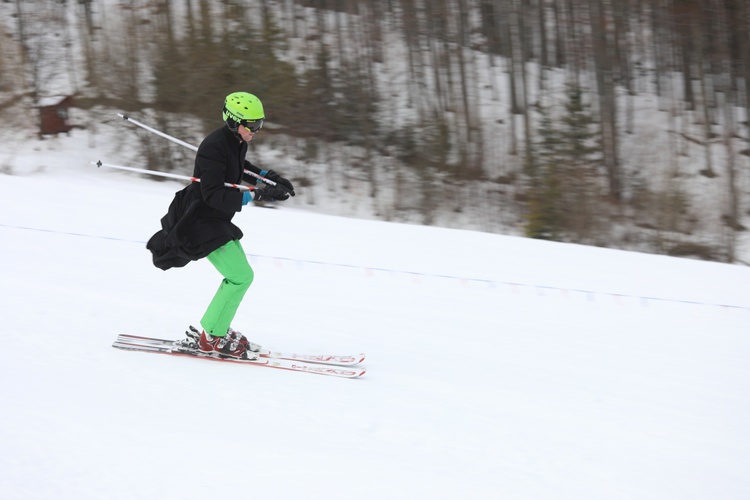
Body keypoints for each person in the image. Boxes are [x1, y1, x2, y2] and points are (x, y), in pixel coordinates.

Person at [146, 92, 295, 359]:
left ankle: (215, 328)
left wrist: (268, 177)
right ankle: (211, 337)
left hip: (215, 219)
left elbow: (239, 166)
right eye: (252, 125)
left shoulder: (236, 140)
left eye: (259, 124)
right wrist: (257, 194)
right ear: (234, 122)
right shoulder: (214, 146)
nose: (256, 130)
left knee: (240, 277)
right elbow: (213, 193)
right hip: (199, 221)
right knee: (241, 277)